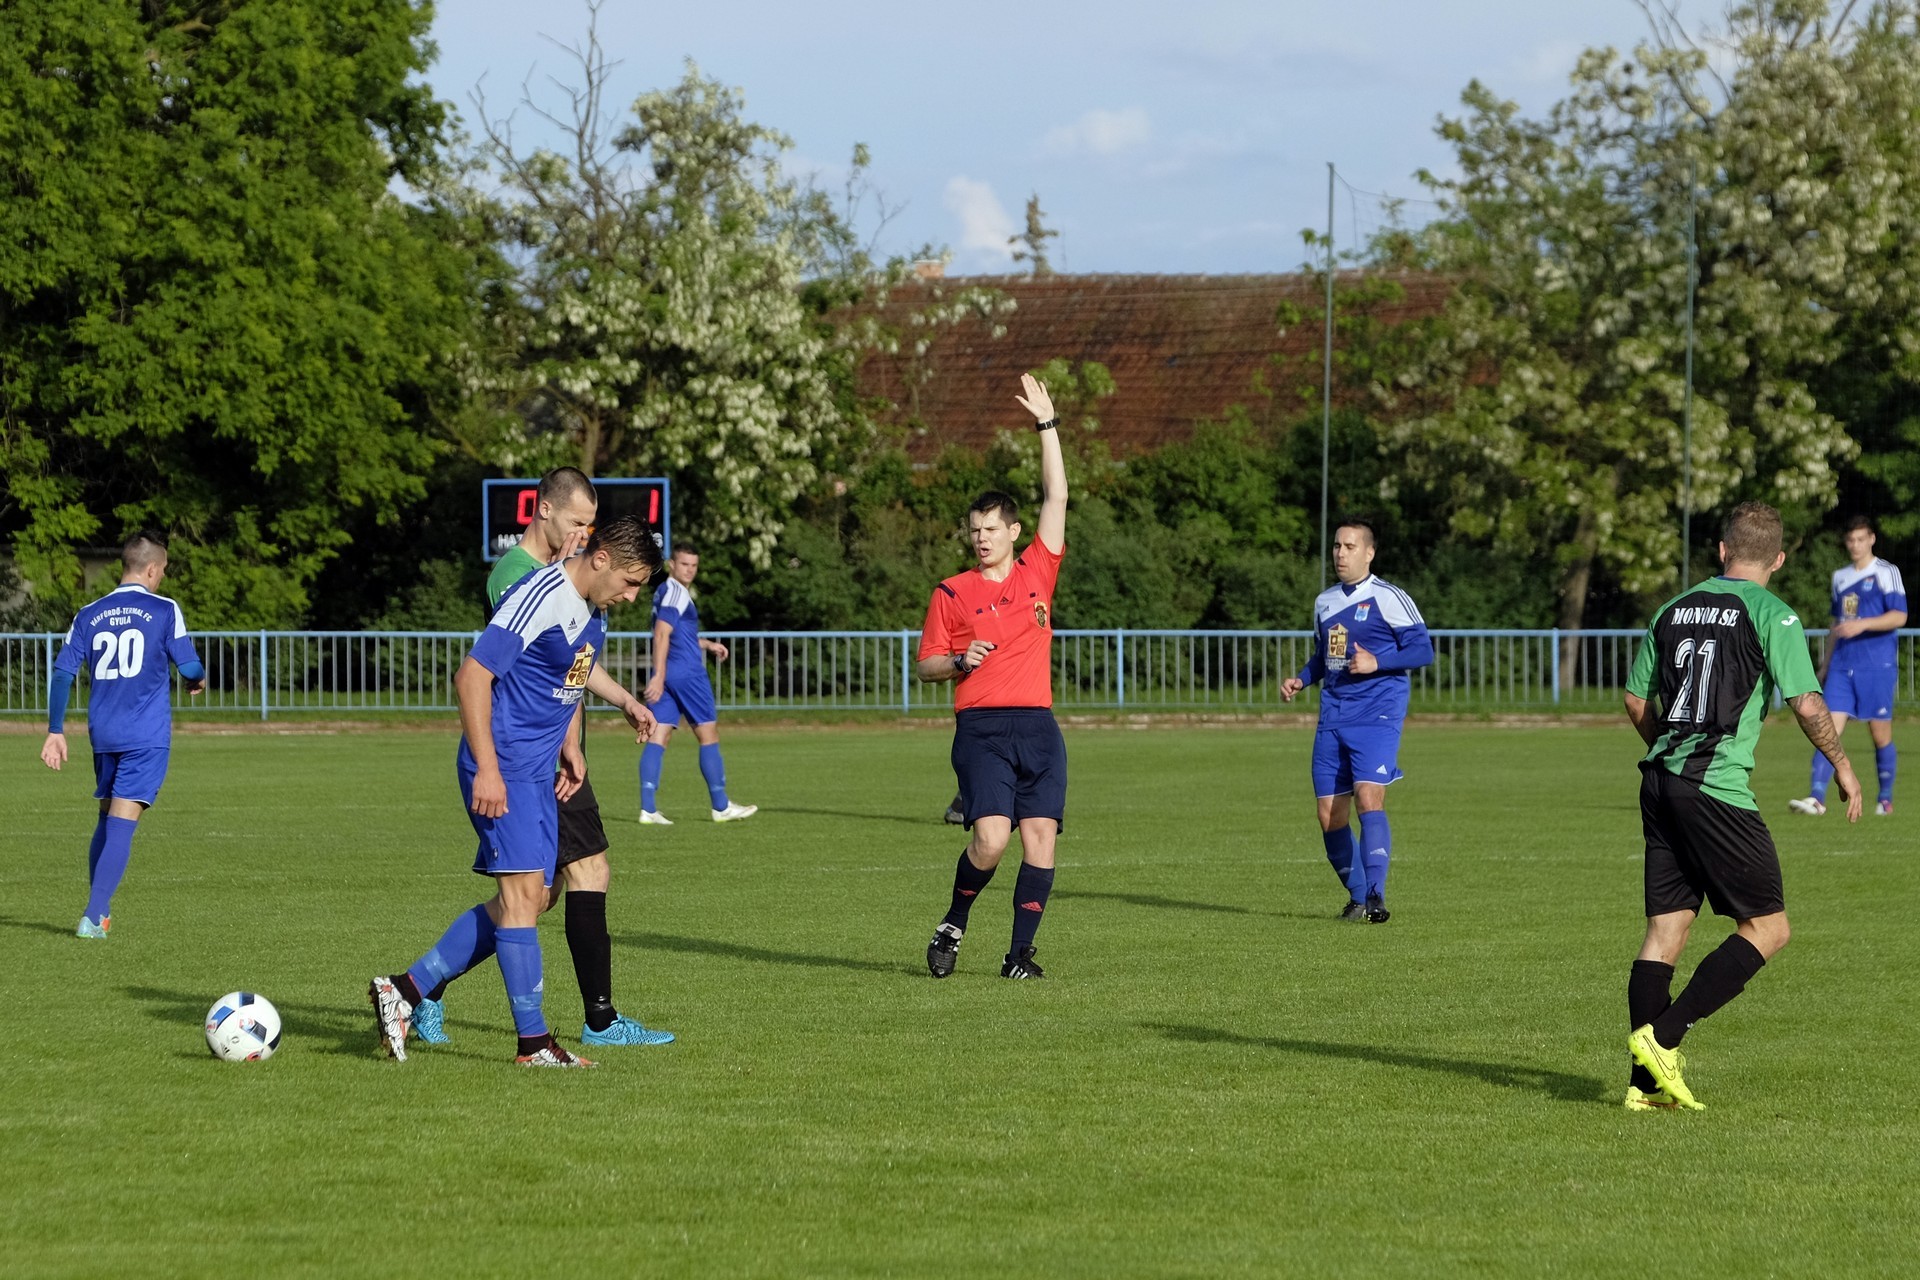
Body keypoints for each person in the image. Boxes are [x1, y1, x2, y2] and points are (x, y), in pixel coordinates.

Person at [369, 516, 661, 1067]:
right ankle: (533, 1044)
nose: (631, 596)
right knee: (523, 898)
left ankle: (405, 990)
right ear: (601, 559)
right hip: (503, 765)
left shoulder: (591, 608)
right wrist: (487, 769)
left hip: (537, 770)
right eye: (630, 582)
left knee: (535, 897)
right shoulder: (541, 594)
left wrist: (620, 703)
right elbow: (472, 676)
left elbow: (575, 668)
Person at [1620, 501, 1862, 1112]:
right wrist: (1841, 763)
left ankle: (1645, 1089)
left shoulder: (1672, 609)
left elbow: (1634, 700)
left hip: (1659, 781)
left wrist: (1669, 753)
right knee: (1769, 928)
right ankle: (1663, 1039)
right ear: (1778, 560)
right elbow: (1807, 703)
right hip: (1716, 788)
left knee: (1666, 930)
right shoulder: (1774, 615)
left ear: (1723, 550)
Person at [919, 373, 1067, 980]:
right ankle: (954, 922)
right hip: (981, 728)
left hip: (1038, 728)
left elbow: (1056, 496)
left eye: (990, 529)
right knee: (991, 840)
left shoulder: (1037, 572)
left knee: (1041, 838)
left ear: (1013, 532)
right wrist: (959, 661)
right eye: (974, 530)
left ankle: (1019, 956)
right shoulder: (952, 592)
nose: (981, 539)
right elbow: (927, 665)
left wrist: (1047, 425)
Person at [40, 531, 207, 937]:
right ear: (151, 569)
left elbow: (62, 674)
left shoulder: (89, 613)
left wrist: (55, 730)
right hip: (145, 735)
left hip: (104, 734)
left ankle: (100, 910)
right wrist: (197, 678)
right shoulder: (164, 609)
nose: (162, 577)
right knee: (122, 823)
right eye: (163, 571)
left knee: (106, 818)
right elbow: (188, 666)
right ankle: (93, 915)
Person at [1280, 520, 1433, 923]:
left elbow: (1423, 650)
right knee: (1329, 815)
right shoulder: (1325, 602)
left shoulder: (1389, 597)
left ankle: (1377, 895)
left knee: (1369, 797)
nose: (1340, 553)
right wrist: (1302, 679)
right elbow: (1324, 656)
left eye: (1350, 546)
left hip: (1378, 713)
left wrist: (1377, 662)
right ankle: (1359, 896)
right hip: (1334, 715)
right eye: (1336, 546)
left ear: (1369, 552)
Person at [1789, 515, 1906, 817]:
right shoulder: (1840, 577)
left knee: (1880, 736)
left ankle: (1885, 799)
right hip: (1842, 666)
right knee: (1827, 729)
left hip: (1876, 665)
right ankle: (1816, 797)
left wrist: (1863, 624)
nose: (1855, 545)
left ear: (1872, 539)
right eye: (1851, 540)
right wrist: (1825, 666)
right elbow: (1836, 623)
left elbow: (1899, 616)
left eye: (1861, 539)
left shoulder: (1886, 572)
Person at [636, 543, 757, 824]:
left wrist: (707, 644)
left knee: (659, 736)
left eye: (694, 565)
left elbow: (677, 634)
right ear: (672, 564)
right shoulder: (677, 592)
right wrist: (658, 675)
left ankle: (648, 809)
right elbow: (662, 633)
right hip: (687, 674)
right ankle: (721, 806)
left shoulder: (663, 591)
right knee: (708, 735)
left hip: (669, 674)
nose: (689, 570)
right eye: (684, 564)